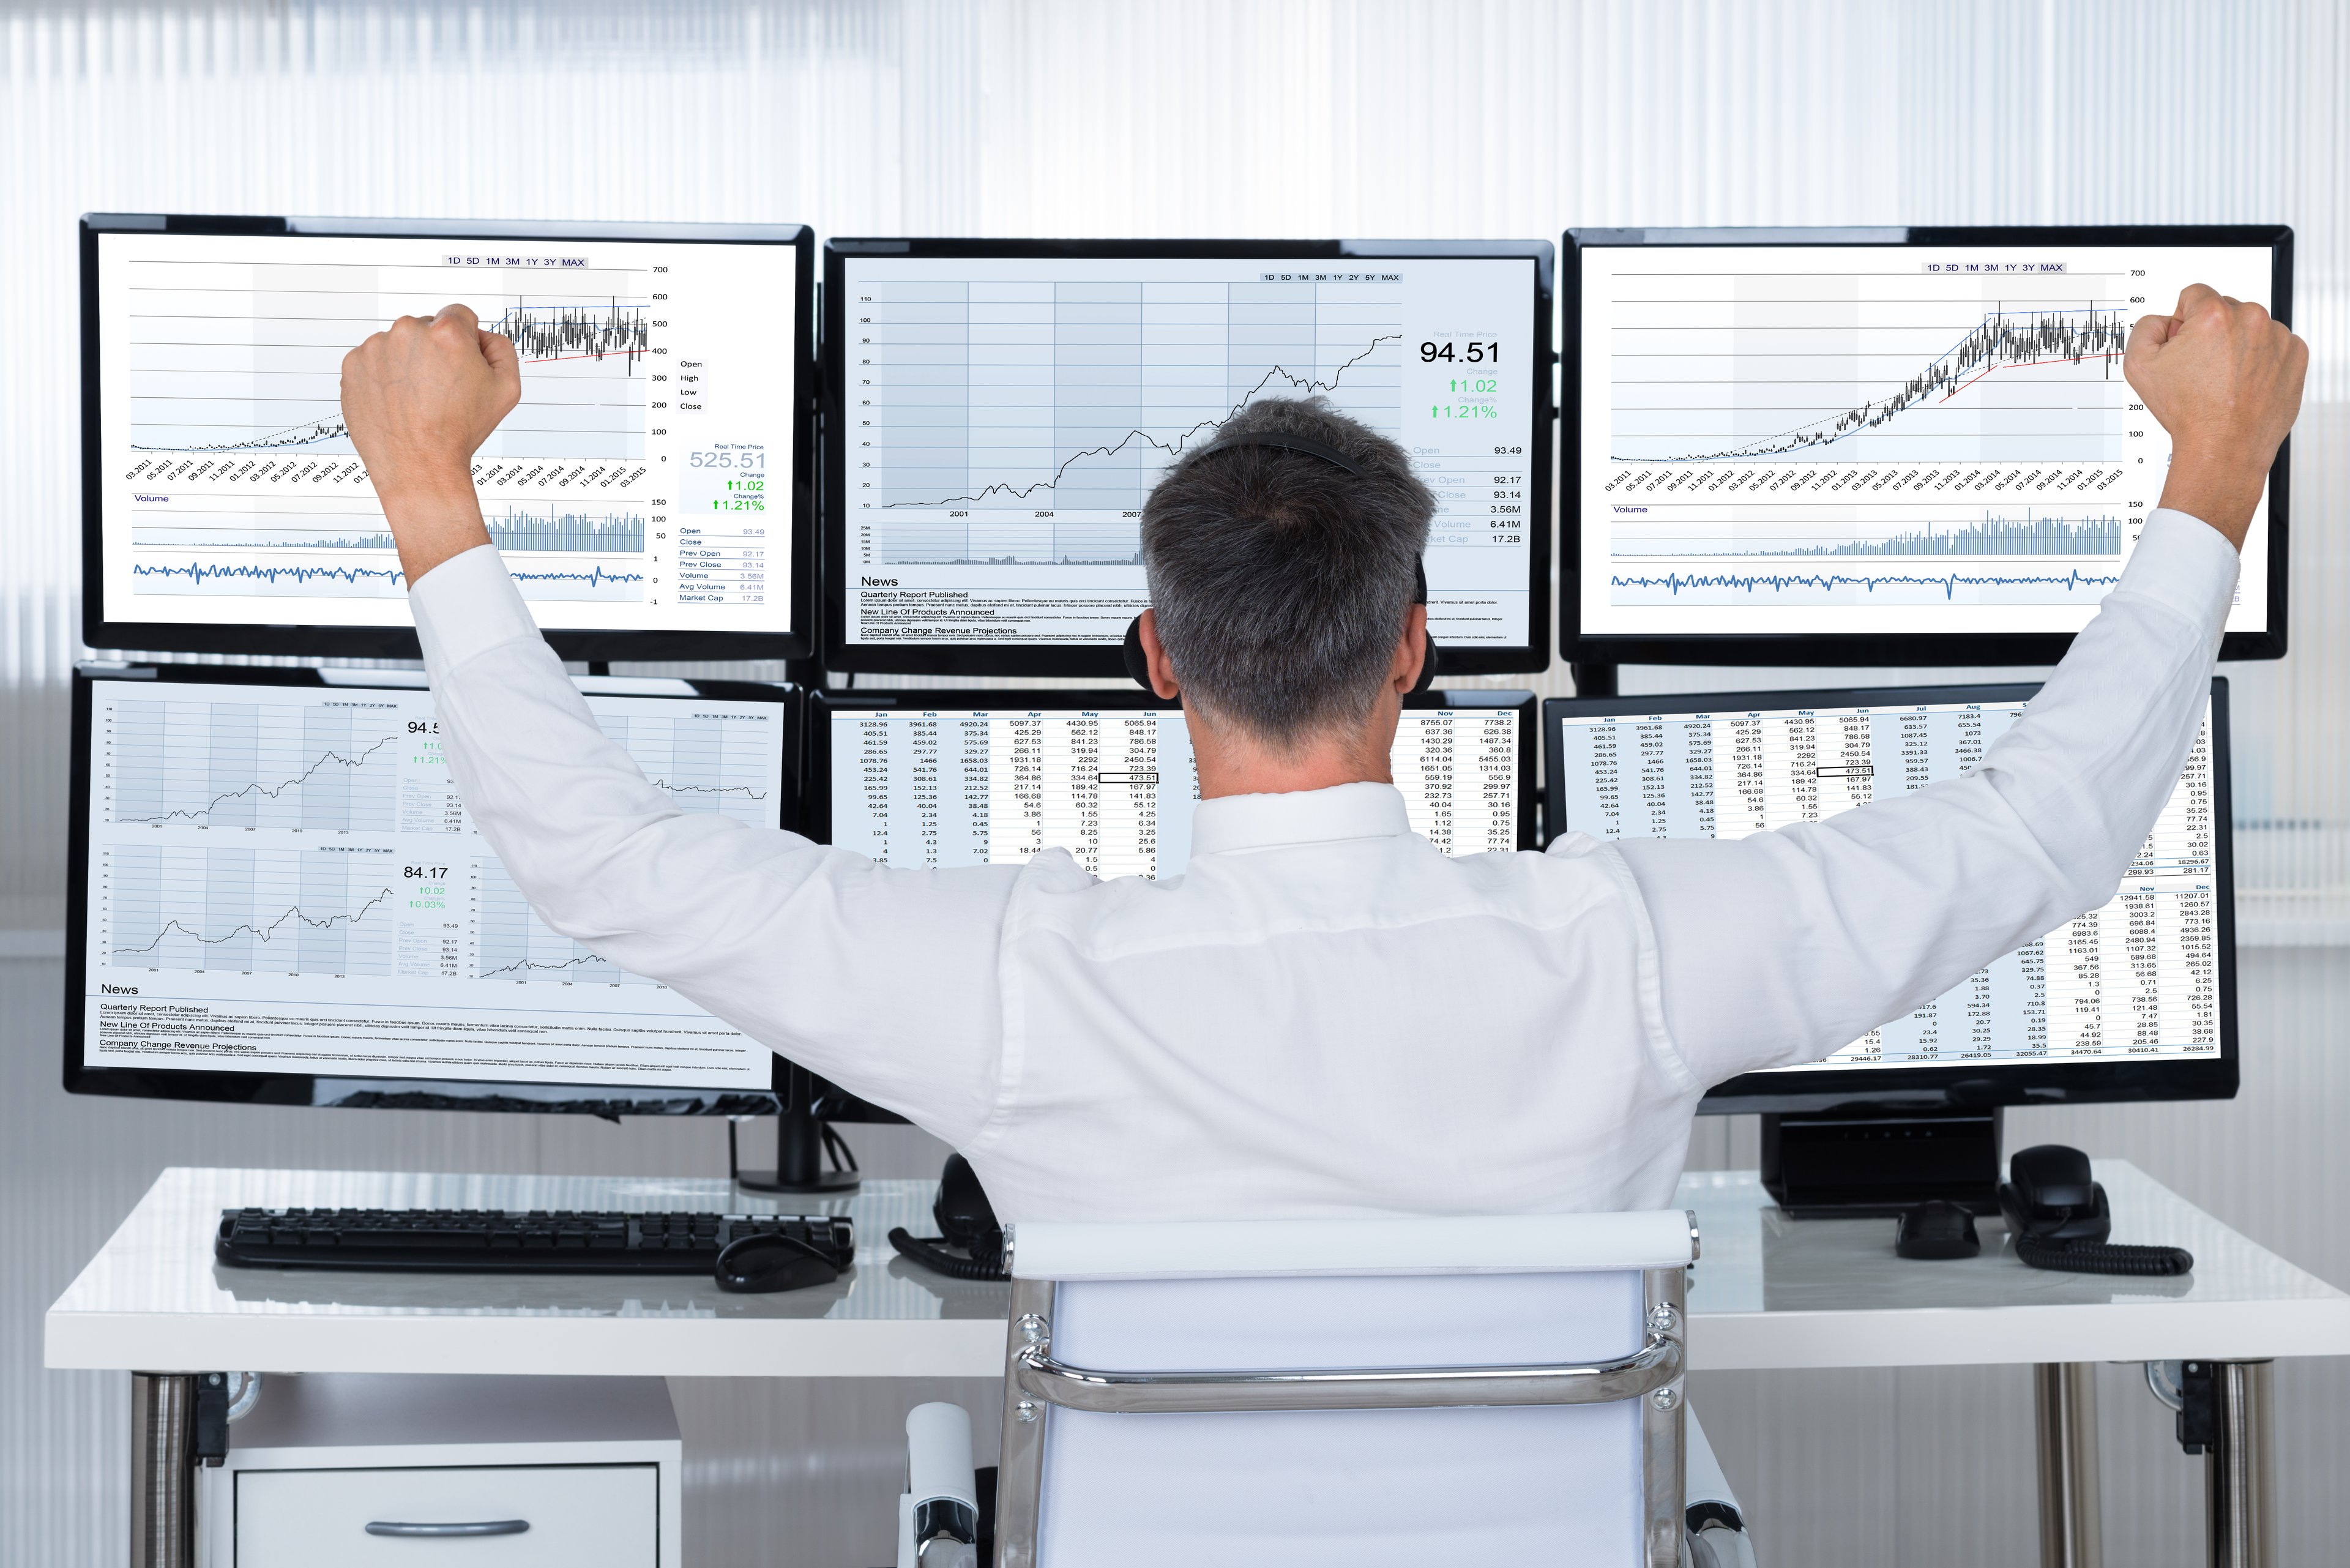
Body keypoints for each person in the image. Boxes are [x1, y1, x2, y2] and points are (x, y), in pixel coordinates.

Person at [340, 286, 2305, 1222]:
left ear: (1155, 660)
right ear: (1419, 651)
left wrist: (429, 482)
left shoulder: (1014, 991)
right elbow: (2046, 826)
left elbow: (596, 854)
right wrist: (2215, 461)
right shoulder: (1625, 950)